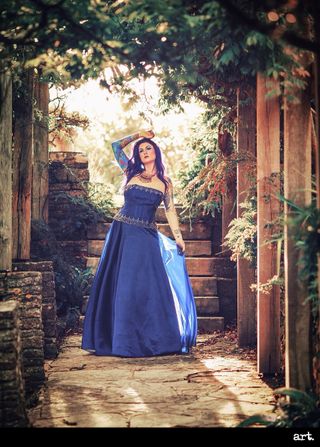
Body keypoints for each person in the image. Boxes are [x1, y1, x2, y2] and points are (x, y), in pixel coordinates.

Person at [81, 130, 197, 357]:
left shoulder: (165, 183)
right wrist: (138, 135)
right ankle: (121, 341)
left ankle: (154, 339)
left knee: (149, 288)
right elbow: (115, 147)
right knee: (123, 285)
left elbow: (170, 211)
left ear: (156, 153)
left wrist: (179, 237)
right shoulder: (130, 170)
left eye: (148, 148)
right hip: (122, 234)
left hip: (146, 237)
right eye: (140, 150)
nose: (144, 151)